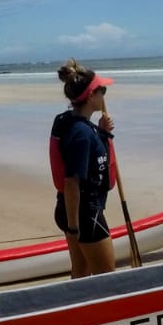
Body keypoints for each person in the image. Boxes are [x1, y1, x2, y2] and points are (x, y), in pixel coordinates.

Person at [49, 59, 117, 277]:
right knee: (107, 277)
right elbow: (71, 182)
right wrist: (74, 227)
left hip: (69, 209)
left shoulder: (69, 122)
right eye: (102, 90)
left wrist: (102, 132)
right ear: (90, 96)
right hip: (84, 214)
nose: (104, 95)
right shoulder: (82, 135)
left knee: (81, 270)